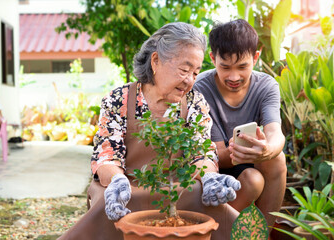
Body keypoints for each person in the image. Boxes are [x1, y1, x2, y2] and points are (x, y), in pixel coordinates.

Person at [59, 22, 241, 240]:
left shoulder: (195, 102)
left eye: (195, 72)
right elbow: (106, 155)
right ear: (156, 61)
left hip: (176, 188)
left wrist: (209, 176)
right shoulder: (119, 99)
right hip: (126, 184)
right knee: (109, 198)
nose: (190, 80)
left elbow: (201, 152)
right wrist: (117, 181)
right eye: (184, 70)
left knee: (199, 193)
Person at [194, 19, 287, 230]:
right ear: (212, 58)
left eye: (243, 66)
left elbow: (275, 133)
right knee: (253, 180)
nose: (234, 77)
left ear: (256, 57)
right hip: (211, 170)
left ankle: (261, 233)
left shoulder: (266, 85)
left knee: (276, 158)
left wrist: (267, 150)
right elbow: (215, 154)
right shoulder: (201, 88)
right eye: (225, 67)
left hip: (247, 162)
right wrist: (247, 152)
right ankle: (214, 231)